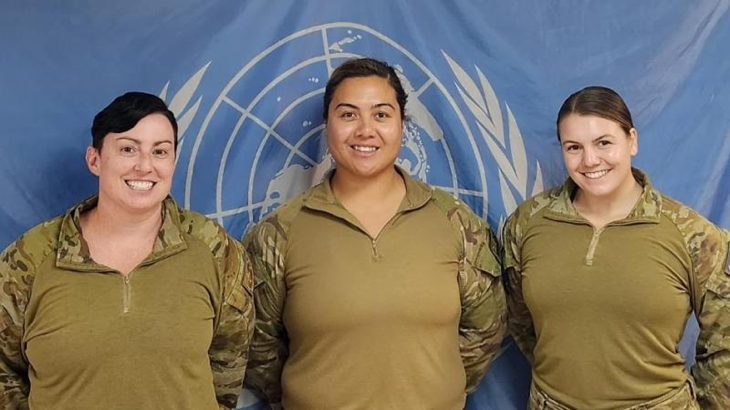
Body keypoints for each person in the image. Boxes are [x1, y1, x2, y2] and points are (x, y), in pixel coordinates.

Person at [243, 58, 506, 409]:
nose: (366, 130)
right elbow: (259, 346)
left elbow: (485, 329)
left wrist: (431, 388)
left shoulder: (456, 223)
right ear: (327, 125)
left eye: (381, 114)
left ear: (402, 125)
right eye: (348, 114)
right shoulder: (280, 233)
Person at [0, 92, 254, 409]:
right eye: (128, 149)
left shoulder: (214, 249)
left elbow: (228, 364)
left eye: (160, 151)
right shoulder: (32, 256)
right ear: (95, 159)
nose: (145, 166)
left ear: (173, 161)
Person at [503, 86, 730, 409]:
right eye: (573, 147)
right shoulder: (527, 224)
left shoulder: (690, 233)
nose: (590, 160)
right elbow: (520, 320)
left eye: (604, 143)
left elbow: (725, 343)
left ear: (632, 140)